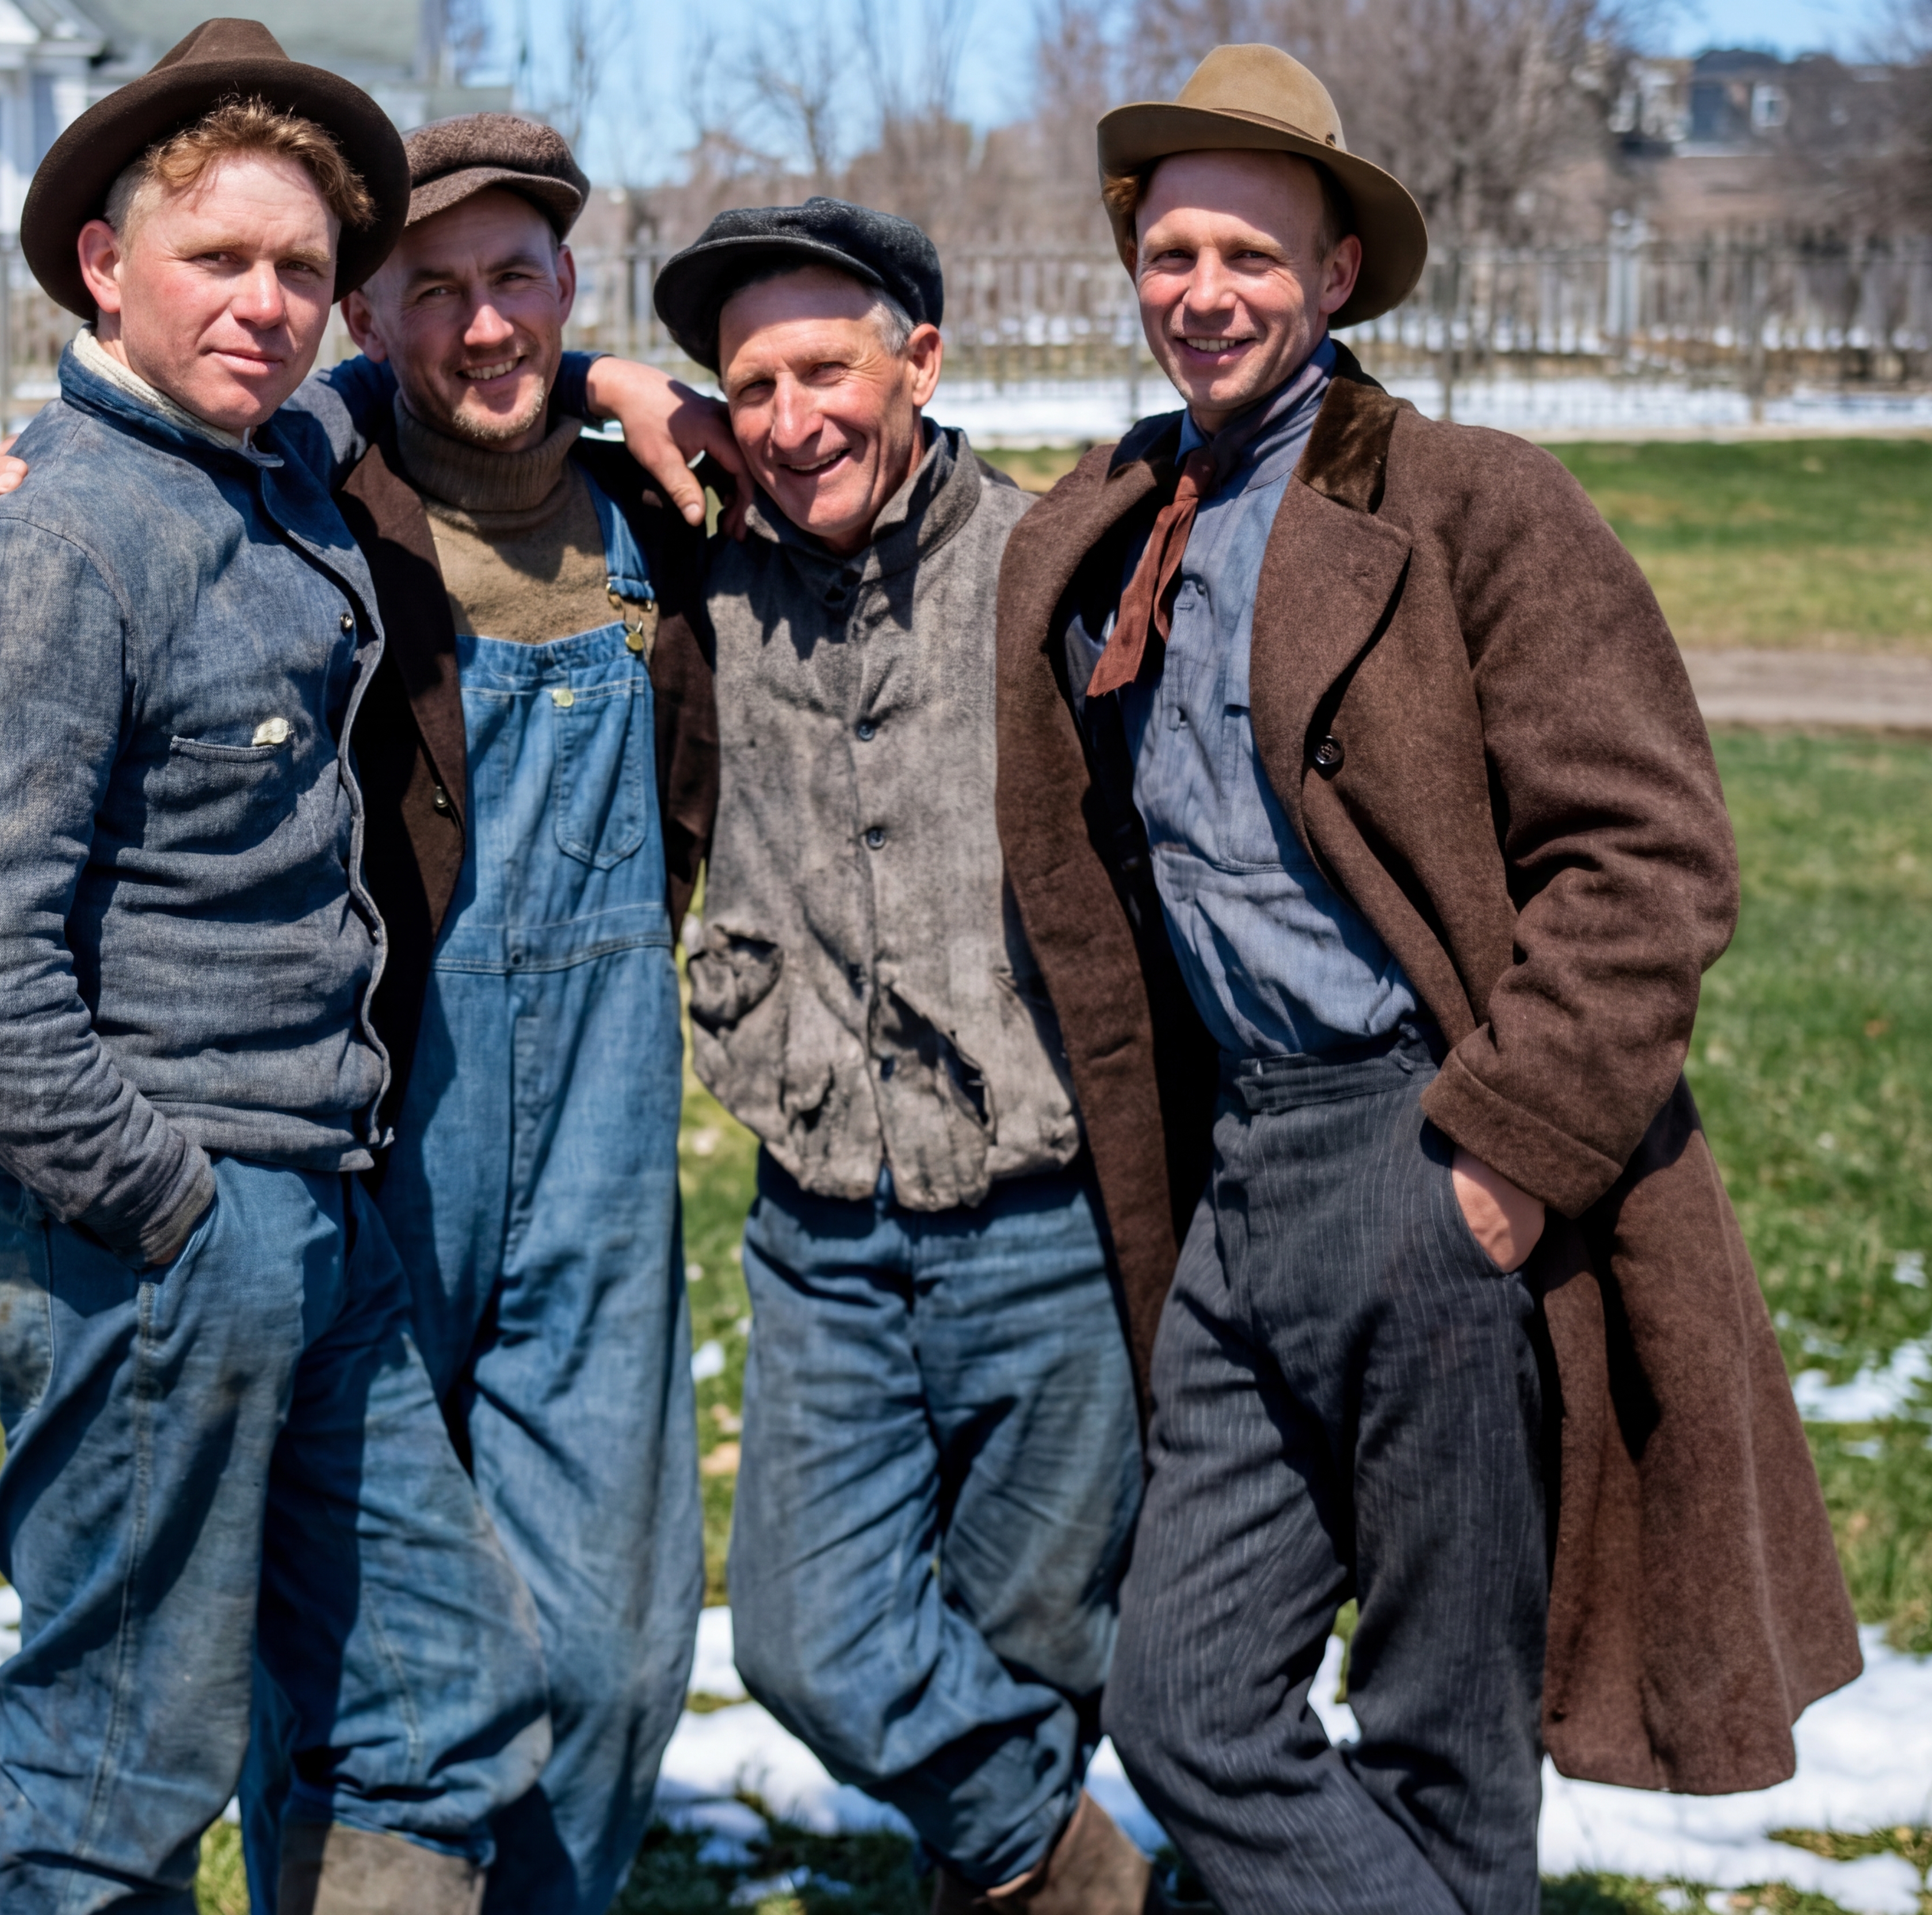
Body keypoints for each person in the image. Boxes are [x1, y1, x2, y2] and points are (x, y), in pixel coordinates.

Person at [990, 44, 1863, 1914]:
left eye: (1252, 254)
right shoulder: (1127, 520)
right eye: (1171, 253)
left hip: (1427, 1150)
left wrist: (1502, 1156)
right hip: (1242, 1186)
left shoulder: (1477, 504)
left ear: (1338, 277)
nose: (1203, 292)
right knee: (1186, 1709)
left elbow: (1648, 858)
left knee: (1446, 1739)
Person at [0, 100, 734, 1915]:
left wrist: (625, 386)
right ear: (107, 268)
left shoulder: (277, 486)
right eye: (220, 263)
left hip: (346, 1184)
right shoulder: (72, 522)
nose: (264, 304)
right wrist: (183, 1212)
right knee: (124, 1764)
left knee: (448, 1696)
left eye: (295, 268)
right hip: (192, 1206)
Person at [651, 202, 1150, 1915]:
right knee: (807, 1642)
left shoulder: (1047, 570)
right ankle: (1072, 1874)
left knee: (1030, 1647)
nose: (796, 421)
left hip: (1042, 1222)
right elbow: (449, 411)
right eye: (754, 384)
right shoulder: (698, 566)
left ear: (920, 363)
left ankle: (1008, 1866)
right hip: (826, 1233)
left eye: (829, 369)